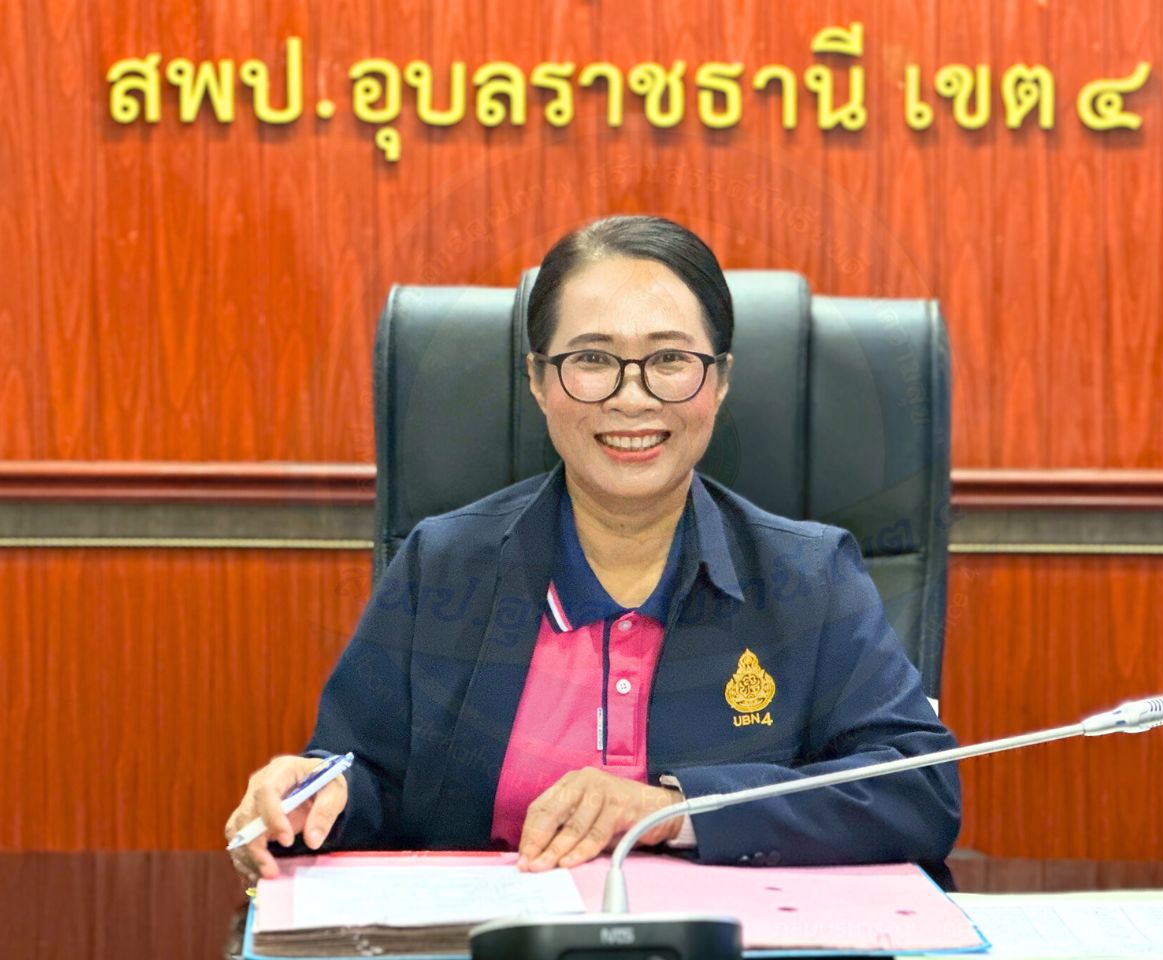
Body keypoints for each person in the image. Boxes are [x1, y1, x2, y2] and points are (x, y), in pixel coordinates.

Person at [225, 214, 961, 883]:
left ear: (720, 381)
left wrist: (673, 809)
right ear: (538, 380)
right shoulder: (441, 564)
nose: (632, 397)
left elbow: (919, 790)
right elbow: (364, 778)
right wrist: (310, 796)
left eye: (669, 359)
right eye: (593, 359)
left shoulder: (810, 576)